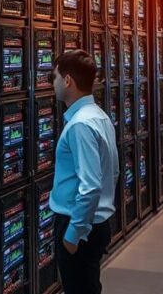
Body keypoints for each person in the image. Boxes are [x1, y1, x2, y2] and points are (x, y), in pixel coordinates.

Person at [49, 50, 118, 294]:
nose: (53, 83)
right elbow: (113, 172)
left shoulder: (80, 125)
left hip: (80, 225)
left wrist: (72, 235)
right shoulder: (99, 116)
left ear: (68, 80)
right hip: (95, 222)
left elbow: (90, 186)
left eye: (54, 77)